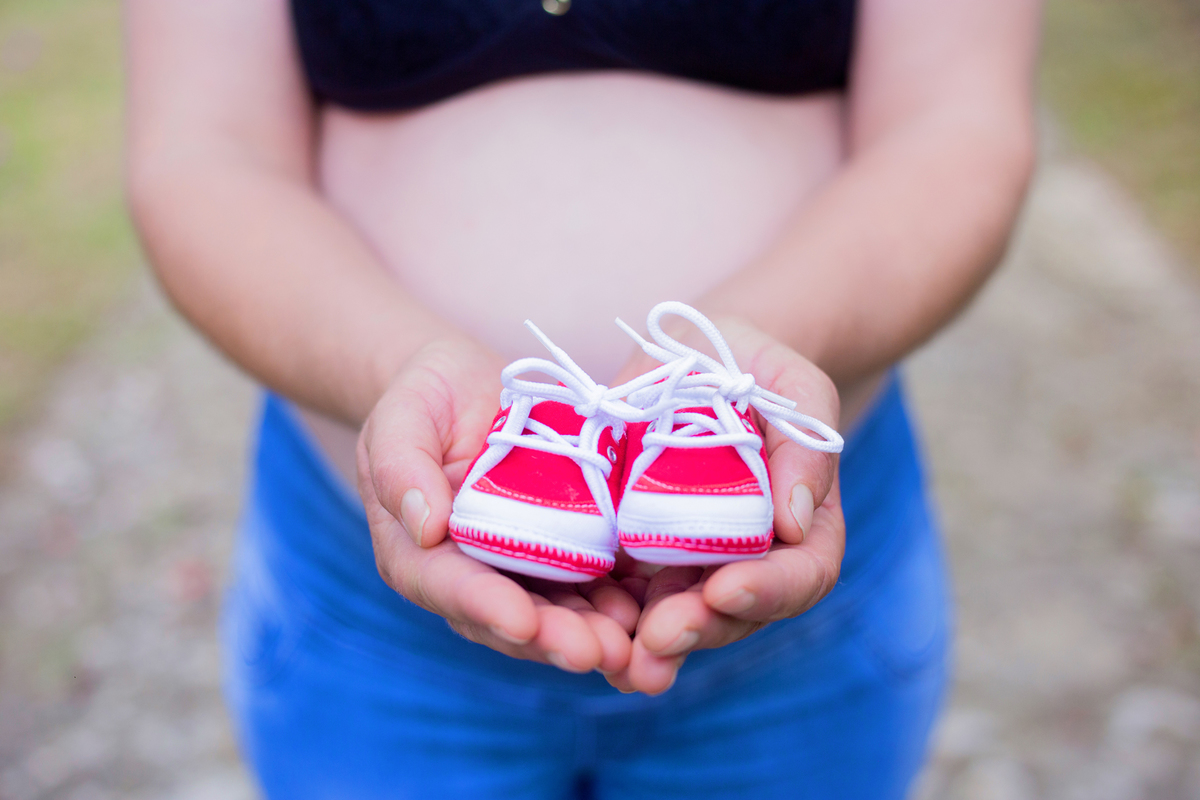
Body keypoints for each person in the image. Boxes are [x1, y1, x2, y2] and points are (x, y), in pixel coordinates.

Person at [124, 0, 1040, 797]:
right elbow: (204, 152)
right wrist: (393, 365)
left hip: (797, 599)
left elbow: (958, 126)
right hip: (371, 603)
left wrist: (741, 346)